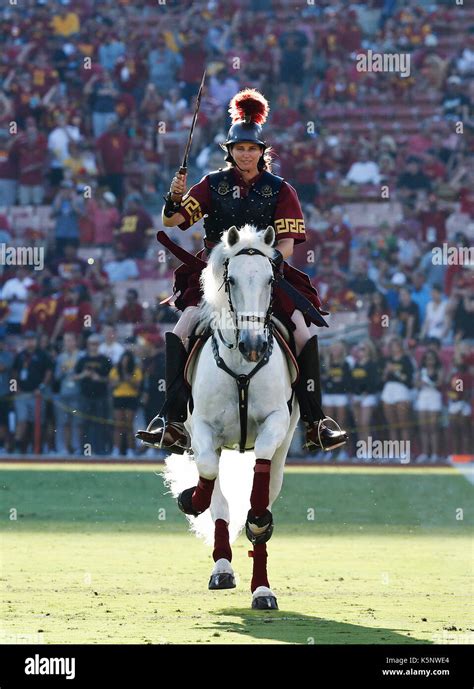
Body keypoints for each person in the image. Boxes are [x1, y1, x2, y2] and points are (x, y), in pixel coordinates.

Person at [139, 88, 347, 454]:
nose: (246, 155)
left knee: (301, 334)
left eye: (252, 149)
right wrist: (173, 197)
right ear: (230, 152)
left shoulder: (281, 190)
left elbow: (285, 244)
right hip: (216, 276)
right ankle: (170, 420)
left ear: (262, 152)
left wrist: (263, 270)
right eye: (240, 149)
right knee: (182, 327)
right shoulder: (211, 184)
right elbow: (173, 220)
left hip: (267, 275)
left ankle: (316, 422)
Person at [12, 331, 53, 453]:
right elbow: (14, 373)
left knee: (38, 422)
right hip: (23, 394)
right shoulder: (20, 355)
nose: (30, 342)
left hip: (37, 395)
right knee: (22, 420)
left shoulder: (42, 355)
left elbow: (48, 372)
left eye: (32, 339)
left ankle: (38, 447)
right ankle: (19, 448)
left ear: (36, 341)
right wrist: (15, 388)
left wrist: (41, 387)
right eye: (27, 340)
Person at [74, 335, 111, 456]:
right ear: (88, 345)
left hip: (100, 396)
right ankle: (84, 449)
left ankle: (100, 449)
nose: (93, 346)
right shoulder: (82, 360)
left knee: (100, 423)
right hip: (85, 396)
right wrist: (84, 375)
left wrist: (99, 378)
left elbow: (111, 379)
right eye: (91, 344)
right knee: (84, 423)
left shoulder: (105, 360)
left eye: (95, 344)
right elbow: (74, 376)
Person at [109, 351, 142, 458]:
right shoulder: (115, 370)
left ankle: (130, 449)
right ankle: (116, 449)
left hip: (131, 397)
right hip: (119, 397)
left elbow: (137, 386)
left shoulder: (135, 370)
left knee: (129, 425)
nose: (125, 362)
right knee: (118, 424)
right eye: (124, 360)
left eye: (127, 360)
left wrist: (129, 379)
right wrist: (119, 380)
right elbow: (111, 384)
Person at [414, 349, 444, 463]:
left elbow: (440, 382)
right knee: (423, 427)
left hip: (434, 396)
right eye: (427, 359)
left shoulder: (438, 370)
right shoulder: (421, 370)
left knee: (433, 427)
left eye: (431, 358)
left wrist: (430, 383)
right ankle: (425, 453)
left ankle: (435, 454)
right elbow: (416, 383)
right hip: (423, 396)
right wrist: (420, 383)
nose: (429, 361)